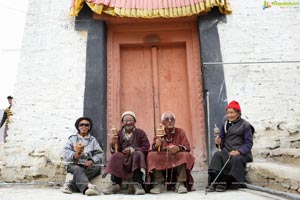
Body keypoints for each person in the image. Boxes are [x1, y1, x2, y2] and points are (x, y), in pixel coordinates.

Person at [207, 100, 254, 192]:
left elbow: (249, 143)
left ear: (238, 113)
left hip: (242, 154)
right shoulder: (224, 125)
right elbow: (222, 142)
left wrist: (238, 151)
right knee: (217, 155)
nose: (229, 115)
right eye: (228, 113)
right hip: (227, 152)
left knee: (236, 159)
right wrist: (218, 142)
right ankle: (213, 181)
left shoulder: (246, 125)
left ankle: (225, 182)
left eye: (232, 112)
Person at [147, 112, 195, 194]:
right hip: (163, 157)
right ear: (163, 122)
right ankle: (159, 184)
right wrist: (157, 145)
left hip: (176, 156)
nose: (170, 121)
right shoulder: (159, 132)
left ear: (174, 121)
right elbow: (153, 148)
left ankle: (180, 183)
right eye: (167, 119)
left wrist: (178, 148)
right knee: (151, 155)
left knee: (185, 155)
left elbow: (187, 147)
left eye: (172, 119)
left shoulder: (180, 132)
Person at [103, 111, 150, 195]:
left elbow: (146, 147)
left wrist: (133, 150)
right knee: (115, 156)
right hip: (123, 156)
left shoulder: (140, 133)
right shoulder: (119, 133)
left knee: (137, 154)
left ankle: (138, 184)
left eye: (131, 120)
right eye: (126, 120)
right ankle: (115, 183)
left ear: (135, 121)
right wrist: (114, 145)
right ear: (122, 122)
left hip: (135, 156)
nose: (128, 122)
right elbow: (116, 150)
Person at [61, 117, 104, 196]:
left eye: (86, 125)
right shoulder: (72, 139)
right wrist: (74, 155)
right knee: (77, 168)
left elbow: (99, 153)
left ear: (89, 127)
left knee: (97, 168)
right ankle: (88, 188)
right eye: (81, 125)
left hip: (87, 165)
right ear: (78, 127)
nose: (84, 127)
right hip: (74, 164)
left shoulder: (93, 140)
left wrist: (91, 161)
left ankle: (70, 185)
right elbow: (65, 151)